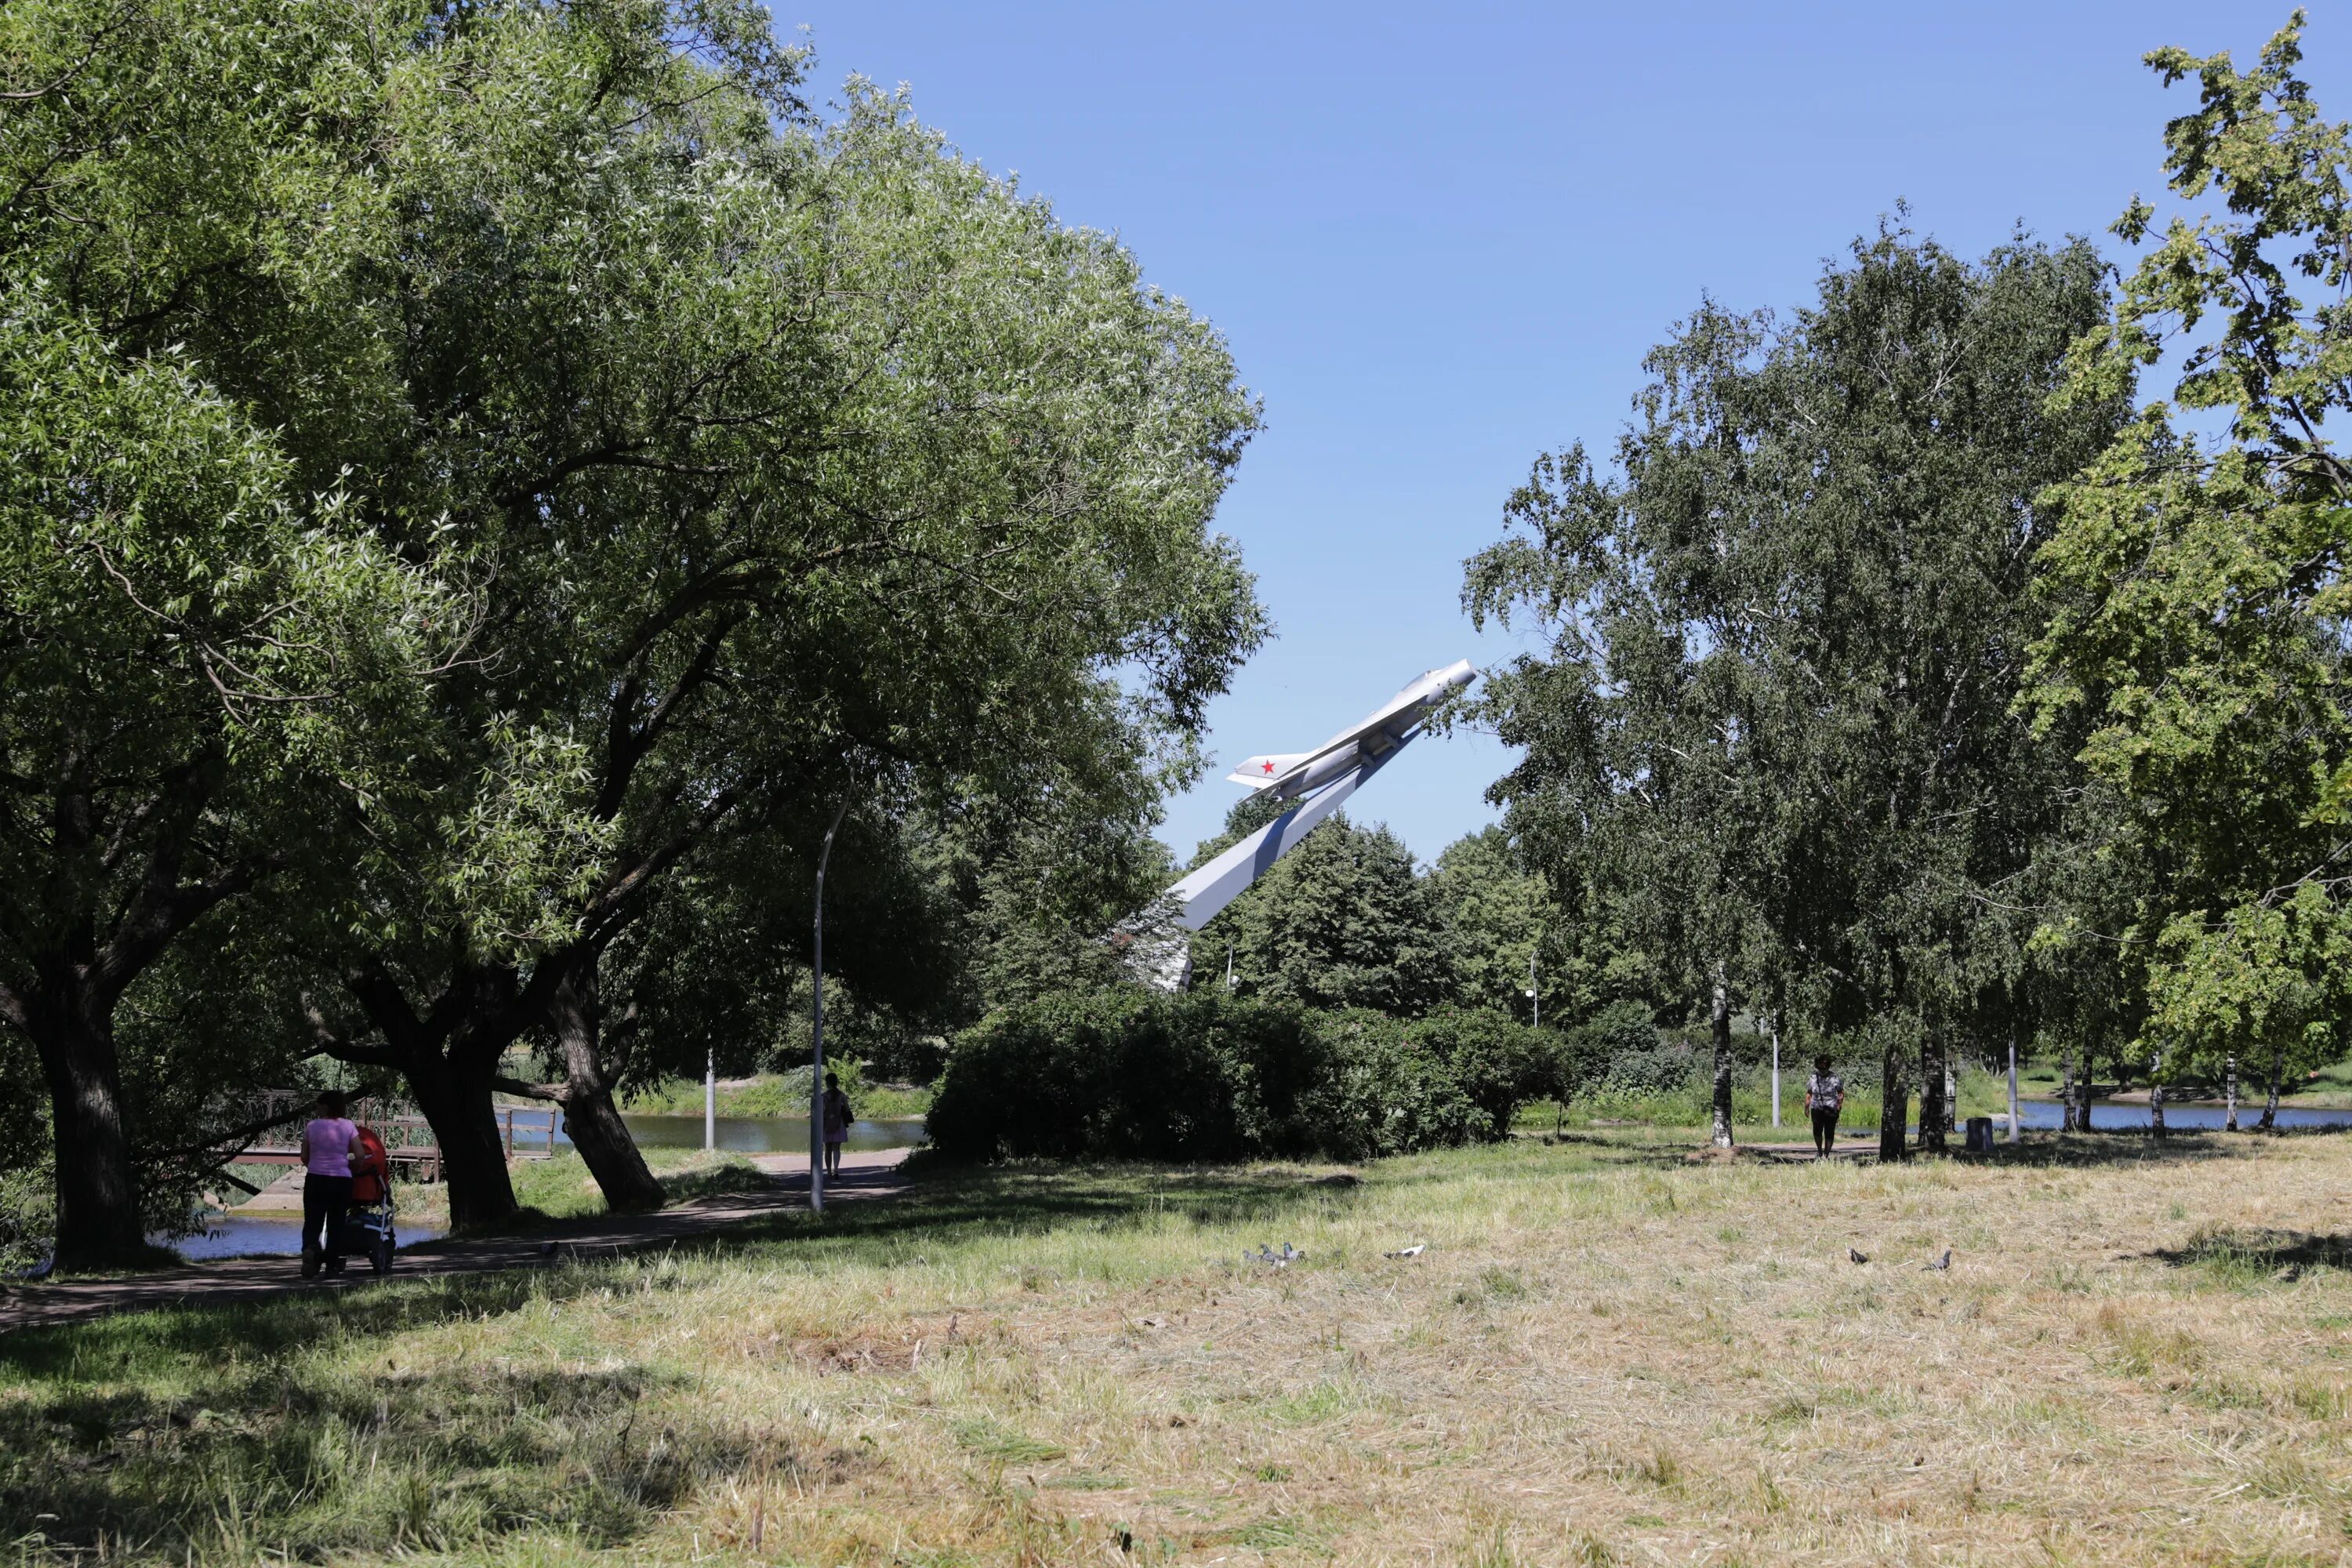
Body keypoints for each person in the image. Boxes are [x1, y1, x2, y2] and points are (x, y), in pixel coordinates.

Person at [299, 1090, 361, 1276]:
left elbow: (304, 1156)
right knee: (336, 1223)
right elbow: (360, 1155)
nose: (317, 1108)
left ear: (325, 1106)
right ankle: (331, 1267)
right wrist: (352, 1170)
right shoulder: (349, 1126)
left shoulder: (311, 1126)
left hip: (316, 1179)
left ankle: (311, 1249)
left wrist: (315, 1166)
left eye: (318, 1105)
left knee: (312, 1221)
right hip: (341, 1180)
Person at [1804, 1054, 1844, 1160]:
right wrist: (1806, 1108)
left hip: (1831, 1108)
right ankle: (1819, 1151)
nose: (1822, 1070)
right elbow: (1809, 1093)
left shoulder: (1835, 1078)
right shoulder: (1813, 1078)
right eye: (1820, 1067)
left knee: (1829, 1132)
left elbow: (1840, 1093)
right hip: (1817, 1108)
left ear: (1828, 1066)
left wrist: (1839, 1105)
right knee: (1817, 1131)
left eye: (1824, 1067)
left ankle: (1826, 1155)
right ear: (1817, 1066)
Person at [821, 1071, 853, 1178]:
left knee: (828, 1149)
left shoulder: (823, 1096)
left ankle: (829, 1172)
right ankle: (836, 1170)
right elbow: (847, 1109)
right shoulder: (842, 1095)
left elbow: (820, 1110)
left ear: (827, 1083)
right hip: (839, 1124)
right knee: (837, 1148)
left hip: (827, 1125)